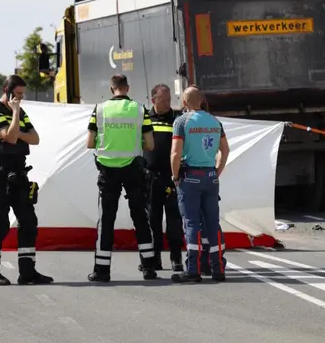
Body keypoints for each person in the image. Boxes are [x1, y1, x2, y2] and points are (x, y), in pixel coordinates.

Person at [0, 75, 53, 286]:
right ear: (7, 91)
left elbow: (35, 138)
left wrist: (15, 130)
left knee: (29, 222)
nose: (21, 98)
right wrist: (16, 116)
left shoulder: (21, 113)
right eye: (18, 94)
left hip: (19, 175)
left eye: (22, 94)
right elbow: (9, 138)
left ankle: (27, 272)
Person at [86, 74, 159, 282]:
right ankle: (148, 267)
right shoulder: (139, 109)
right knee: (140, 218)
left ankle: (101, 270)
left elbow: (90, 142)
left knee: (106, 220)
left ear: (111, 89)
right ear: (127, 87)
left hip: (107, 171)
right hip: (133, 170)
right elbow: (150, 144)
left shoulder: (99, 109)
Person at [170, 86, 230, 283]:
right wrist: (218, 170)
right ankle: (218, 269)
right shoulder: (215, 121)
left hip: (190, 176)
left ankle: (193, 270)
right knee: (213, 223)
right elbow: (225, 150)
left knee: (192, 223)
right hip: (210, 176)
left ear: (185, 103)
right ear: (202, 101)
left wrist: (175, 176)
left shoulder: (181, 122)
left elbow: (175, 153)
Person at [140, 83, 184, 272]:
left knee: (174, 221)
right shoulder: (145, 118)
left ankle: (176, 259)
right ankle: (154, 259)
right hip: (150, 179)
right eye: (163, 100)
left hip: (171, 177)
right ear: (153, 100)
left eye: (169, 100)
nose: (167, 103)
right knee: (153, 222)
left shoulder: (177, 119)